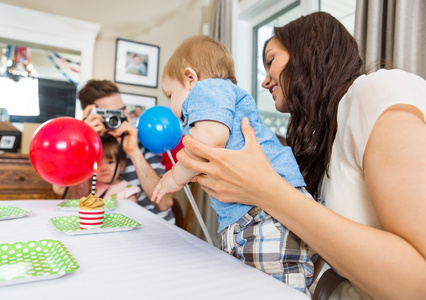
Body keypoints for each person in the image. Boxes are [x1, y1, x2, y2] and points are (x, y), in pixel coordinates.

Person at [175, 12, 426, 299]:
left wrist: (267, 191)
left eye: (271, 61)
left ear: (311, 48)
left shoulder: (374, 92)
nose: (265, 80)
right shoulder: (327, 144)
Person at [152, 35, 318, 294]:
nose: (171, 105)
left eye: (170, 94)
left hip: (266, 218)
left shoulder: (208, 90)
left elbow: (208, 141)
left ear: (190, 78)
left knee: (277, 292)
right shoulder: (222, 97)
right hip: (254, 218)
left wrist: (174, 177)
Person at [66, 80, 175, 222]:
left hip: (158, 230)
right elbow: (77, 203)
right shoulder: (87, 150)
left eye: (121, 111)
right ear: (92, 115)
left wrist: (133, 151)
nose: (118, 119)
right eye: (110, 114)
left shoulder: (145, 143)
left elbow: (165, 203)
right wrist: (85, 139)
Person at [95, 133, 141, 202]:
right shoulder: (88, 187)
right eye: (98, 163)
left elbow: (132, 212)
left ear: (121, 164)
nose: (104, 168)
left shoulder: (128, 191)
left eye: (110, 162)